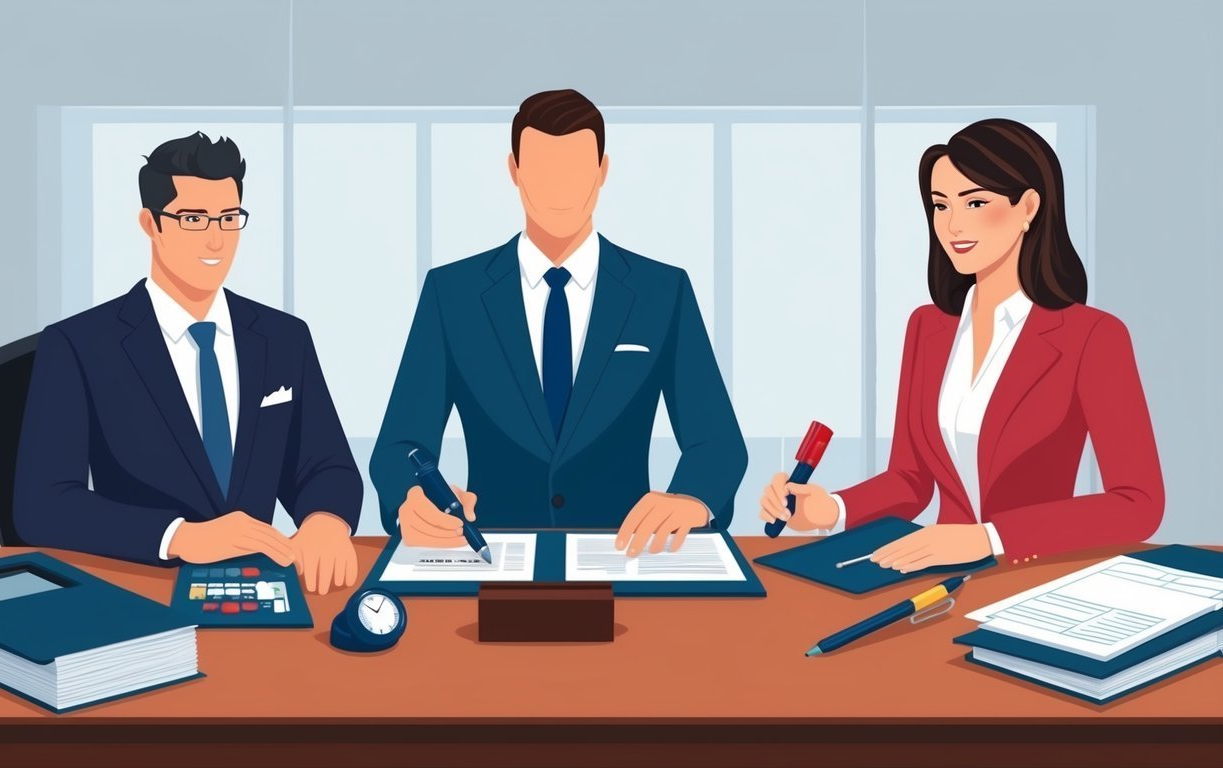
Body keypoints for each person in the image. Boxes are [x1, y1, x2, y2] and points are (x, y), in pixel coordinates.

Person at [761, 118, 1163, 572]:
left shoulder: (1092, 336)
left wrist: (989, 538)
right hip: (935, 574)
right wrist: (831, 508)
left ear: (1028, 206)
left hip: (1033, 574)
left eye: (975, 202)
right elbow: (910, 480)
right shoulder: (927, 328)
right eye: (940, 205)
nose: (952, 225)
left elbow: (1138, 504)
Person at [371, 89, 746, 557]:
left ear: (602, 172)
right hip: (489, 557)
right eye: (544, 171)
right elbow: (399, 444)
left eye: (575, 170)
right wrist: (411, 501)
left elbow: (718, 442)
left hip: (626, 555)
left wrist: (692, 499)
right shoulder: (453, 295)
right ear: (515, 170)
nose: (560, 190)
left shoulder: (661, 292)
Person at [14, 132, 362, 593]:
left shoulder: (282, 338)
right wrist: (179, 536)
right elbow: (43, 504)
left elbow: (325, 463)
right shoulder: (80, 345)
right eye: (194, 219)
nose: (216, 241)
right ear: (151, 223)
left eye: (228, 218)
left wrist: (325, 520)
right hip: (139, 588)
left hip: (259, 585)